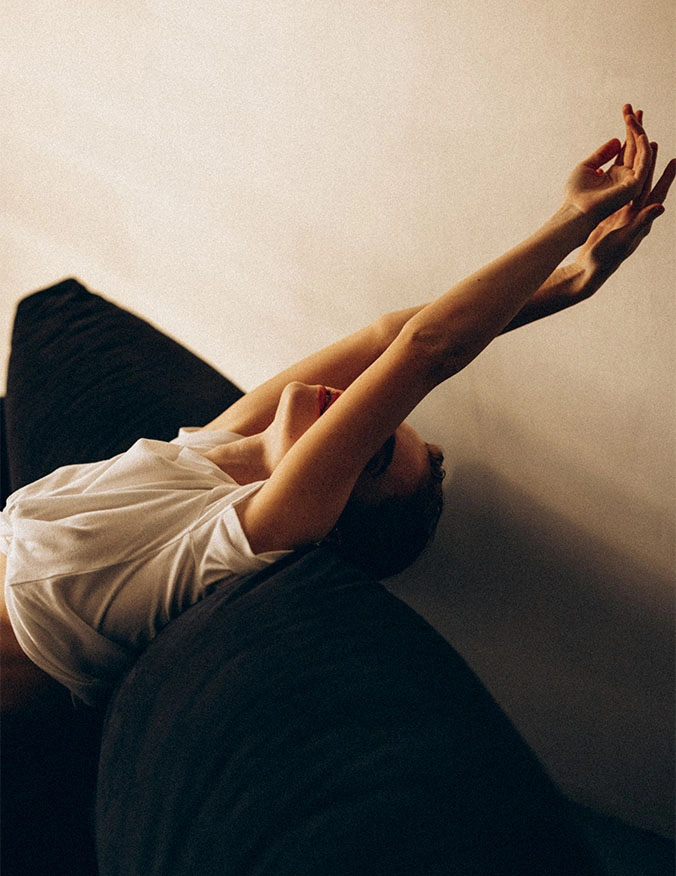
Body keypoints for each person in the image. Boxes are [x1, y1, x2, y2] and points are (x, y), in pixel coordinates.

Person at [1, 104, 673, 711]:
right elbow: (389, 338)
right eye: (376, 413)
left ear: (328, 507)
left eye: (366, 442)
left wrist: (570, 219)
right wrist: (571, 282)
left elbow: (426, 351)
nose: (355, 405)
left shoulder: (247, 531)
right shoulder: (212, 449)